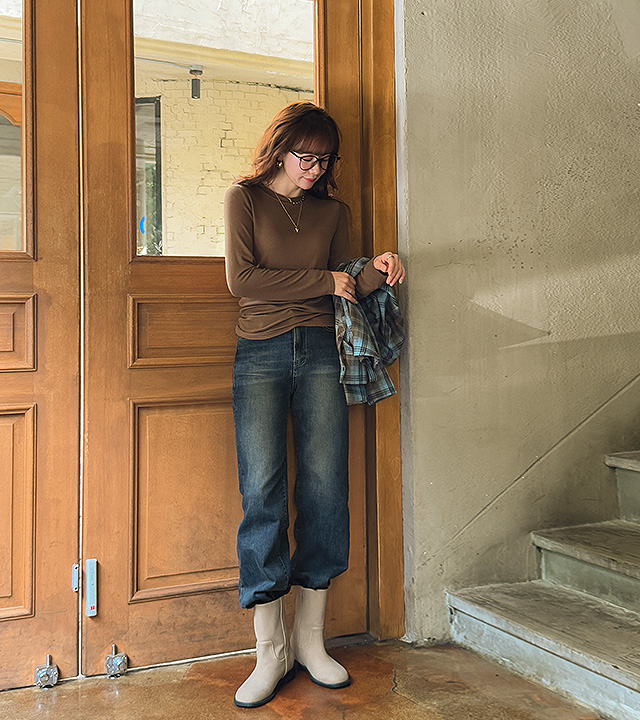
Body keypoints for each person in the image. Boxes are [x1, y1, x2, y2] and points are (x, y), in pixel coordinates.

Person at [224, 101, 405, 708]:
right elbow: (243, 280)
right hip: (260, 352)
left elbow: (346, 279)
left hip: (325, 352)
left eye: (324, 160)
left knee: (326, 488)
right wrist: (323, 282)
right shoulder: (244, 200)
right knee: (263, 492)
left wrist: (377, 268)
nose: (314, 168)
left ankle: (309, 640)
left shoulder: (333, 211)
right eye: (305, 156)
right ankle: (269, 650)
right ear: (280, 149)